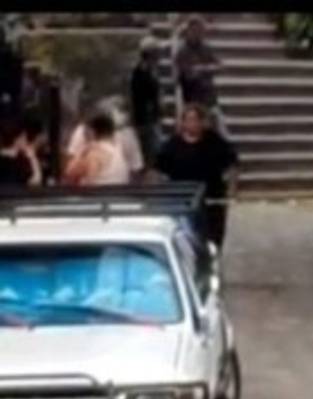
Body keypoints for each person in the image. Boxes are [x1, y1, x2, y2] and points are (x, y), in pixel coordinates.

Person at [154, 103, 239, 250]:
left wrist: (232, 190)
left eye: (195, 120)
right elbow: (158, 170)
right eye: (188, 120)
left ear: (201, 122)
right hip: (182, 201)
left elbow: (232, 164)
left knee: (212, 241)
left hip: (211, 202)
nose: (192, 124)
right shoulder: (172, 145)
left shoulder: (214, 142)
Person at [174, 17, 224, 135]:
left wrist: (203, 69)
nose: (198, 34)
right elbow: (187, 74)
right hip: (192, 101)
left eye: (200, 31)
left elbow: (220, 65)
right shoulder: (183, 51)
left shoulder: (205, 48)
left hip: (209, 99)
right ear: (189, 31)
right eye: (195, 31)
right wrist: (198, 71)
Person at [63, 113, 130, 186]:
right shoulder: (117, 153)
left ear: (92, 132)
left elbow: (70, 175)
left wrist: (83, 151)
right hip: (118, 195)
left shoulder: (95, 153)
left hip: (98, 196)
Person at [131, 35, 162, 165]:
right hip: (145, 117)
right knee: (150, 150)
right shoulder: (141, 70)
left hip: (151, 116)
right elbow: (142, 93)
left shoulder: (150, 69)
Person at [0, 117, 34, 186]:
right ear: (17, 140)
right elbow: (35, 181)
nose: (26, 141)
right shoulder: (19, 160)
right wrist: (32, 157)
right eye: (24, 137)